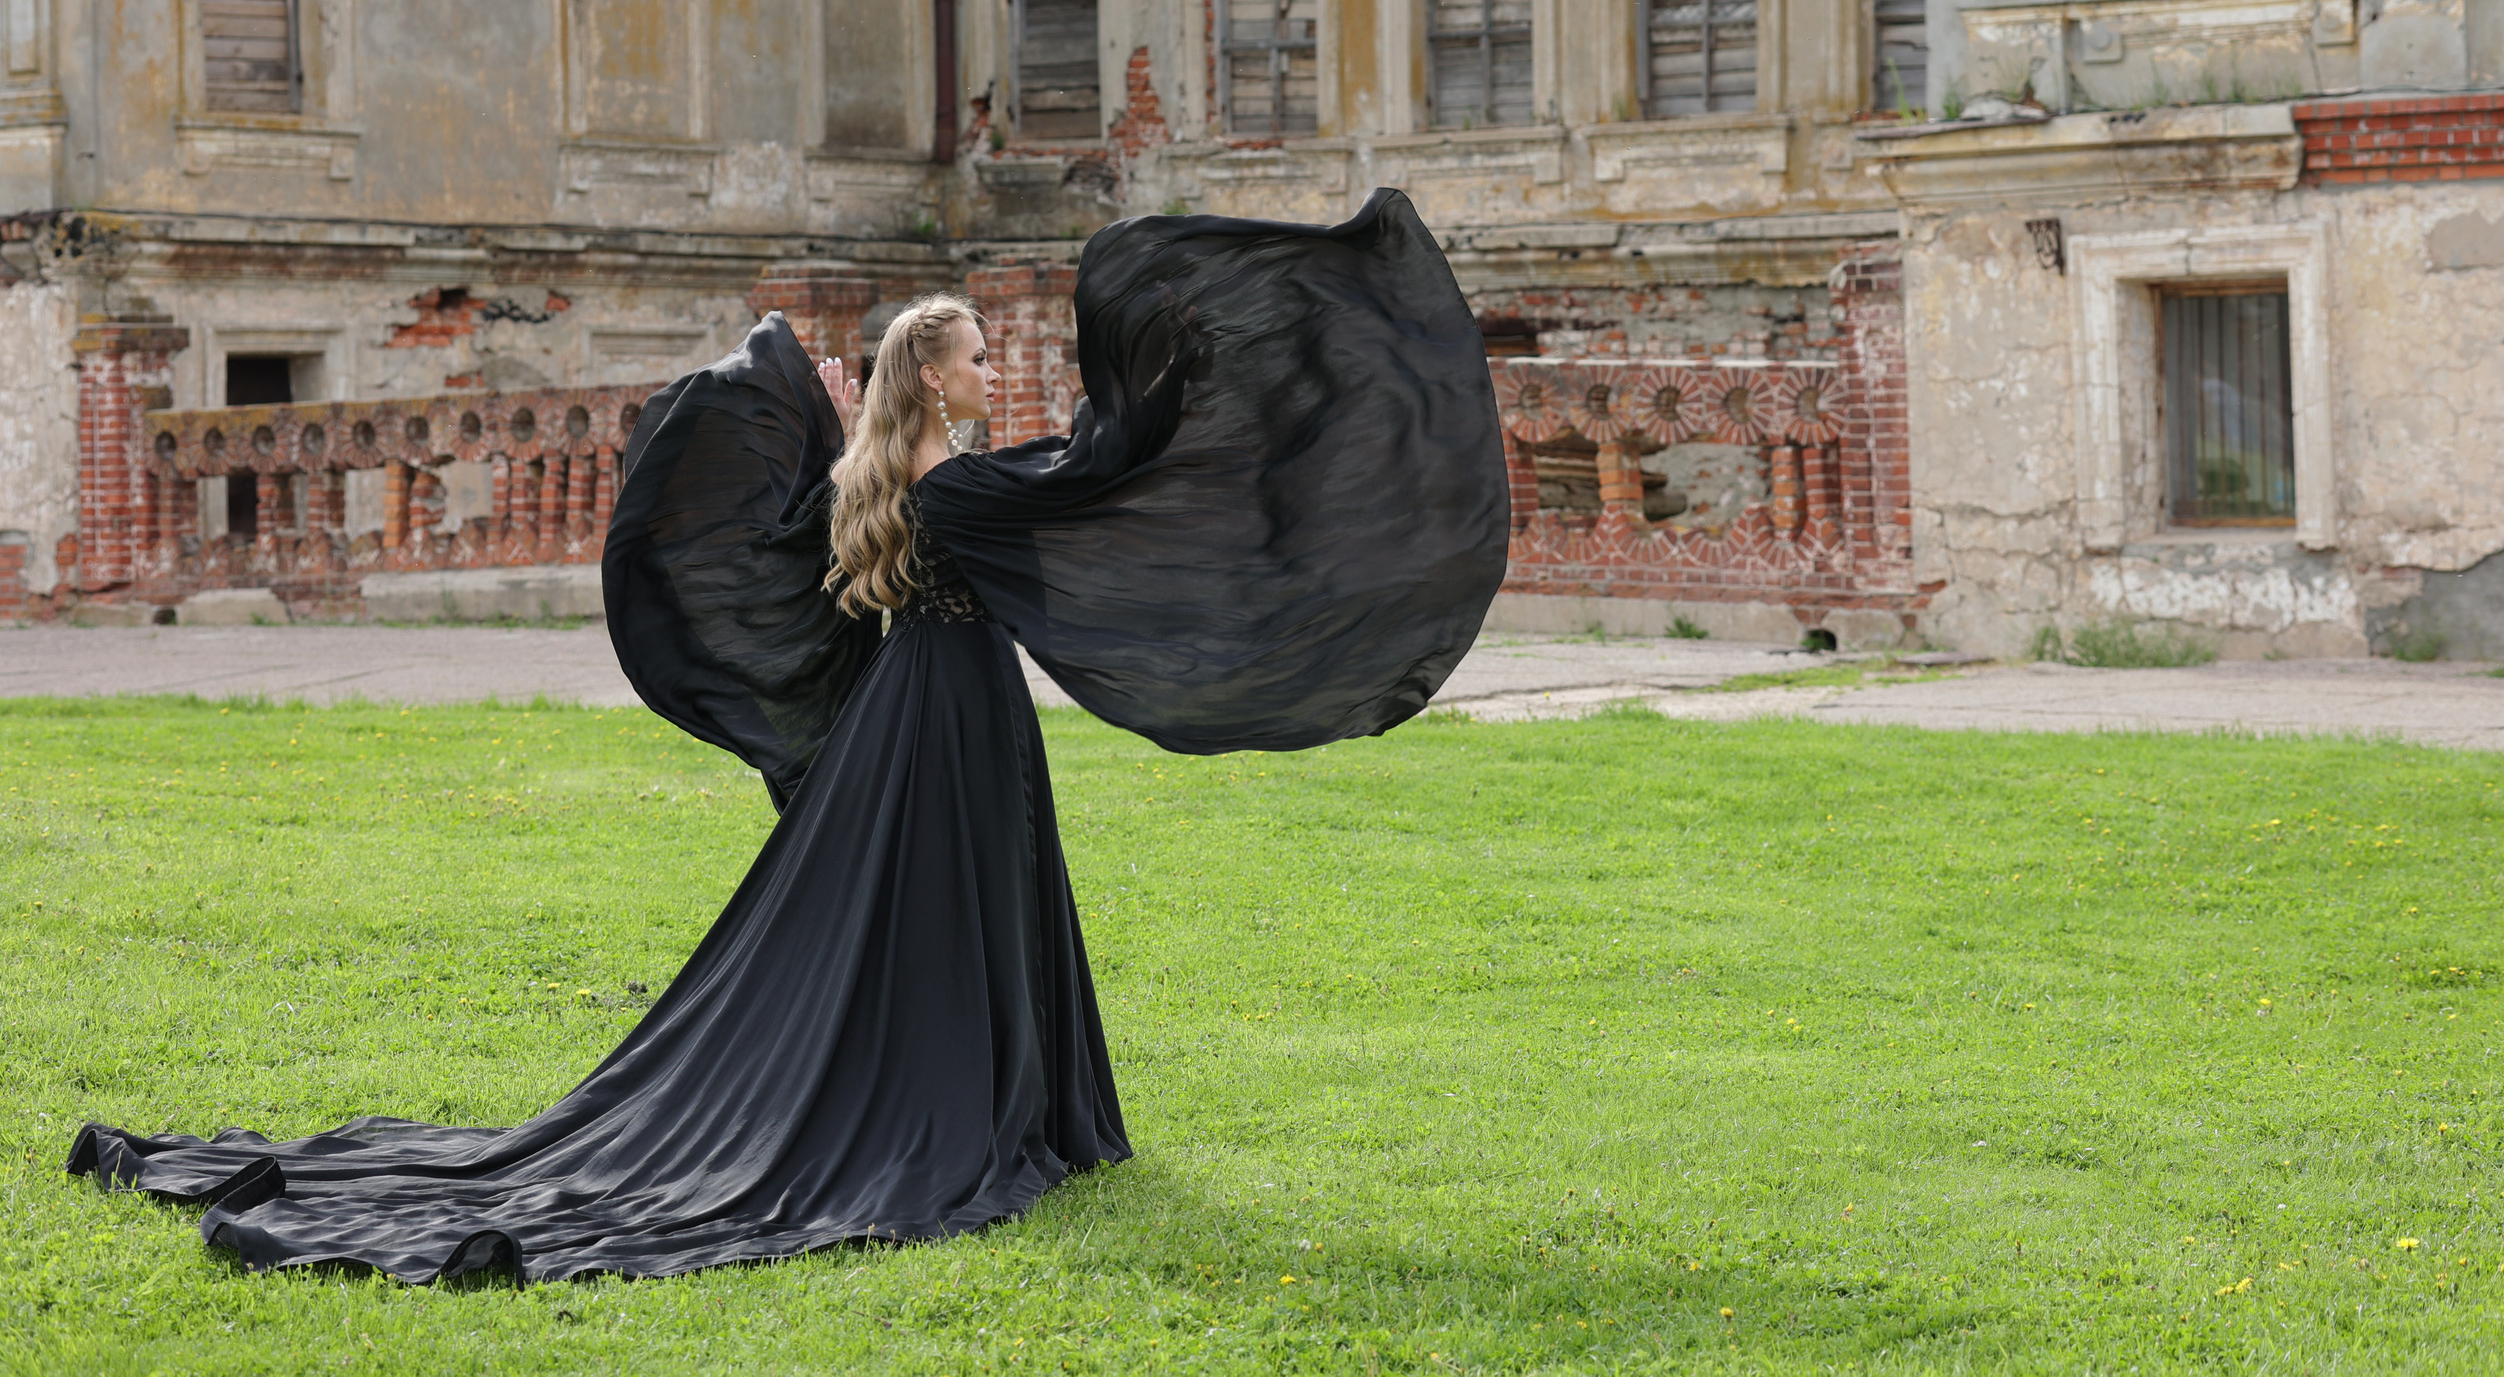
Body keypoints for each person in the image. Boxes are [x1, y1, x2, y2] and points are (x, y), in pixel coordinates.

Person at [65, 188, 1509, 1283]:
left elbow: (1068, 477)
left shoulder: (928, 476)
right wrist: (1182, 366)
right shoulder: (951, 492)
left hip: (939, 712)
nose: (994, 362)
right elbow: (1087, 481)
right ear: (933, 375)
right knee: (937, 918)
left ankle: (1022, 1110)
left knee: (967, 909)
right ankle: (962, 1115)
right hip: (942, 721)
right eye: (978, 350)